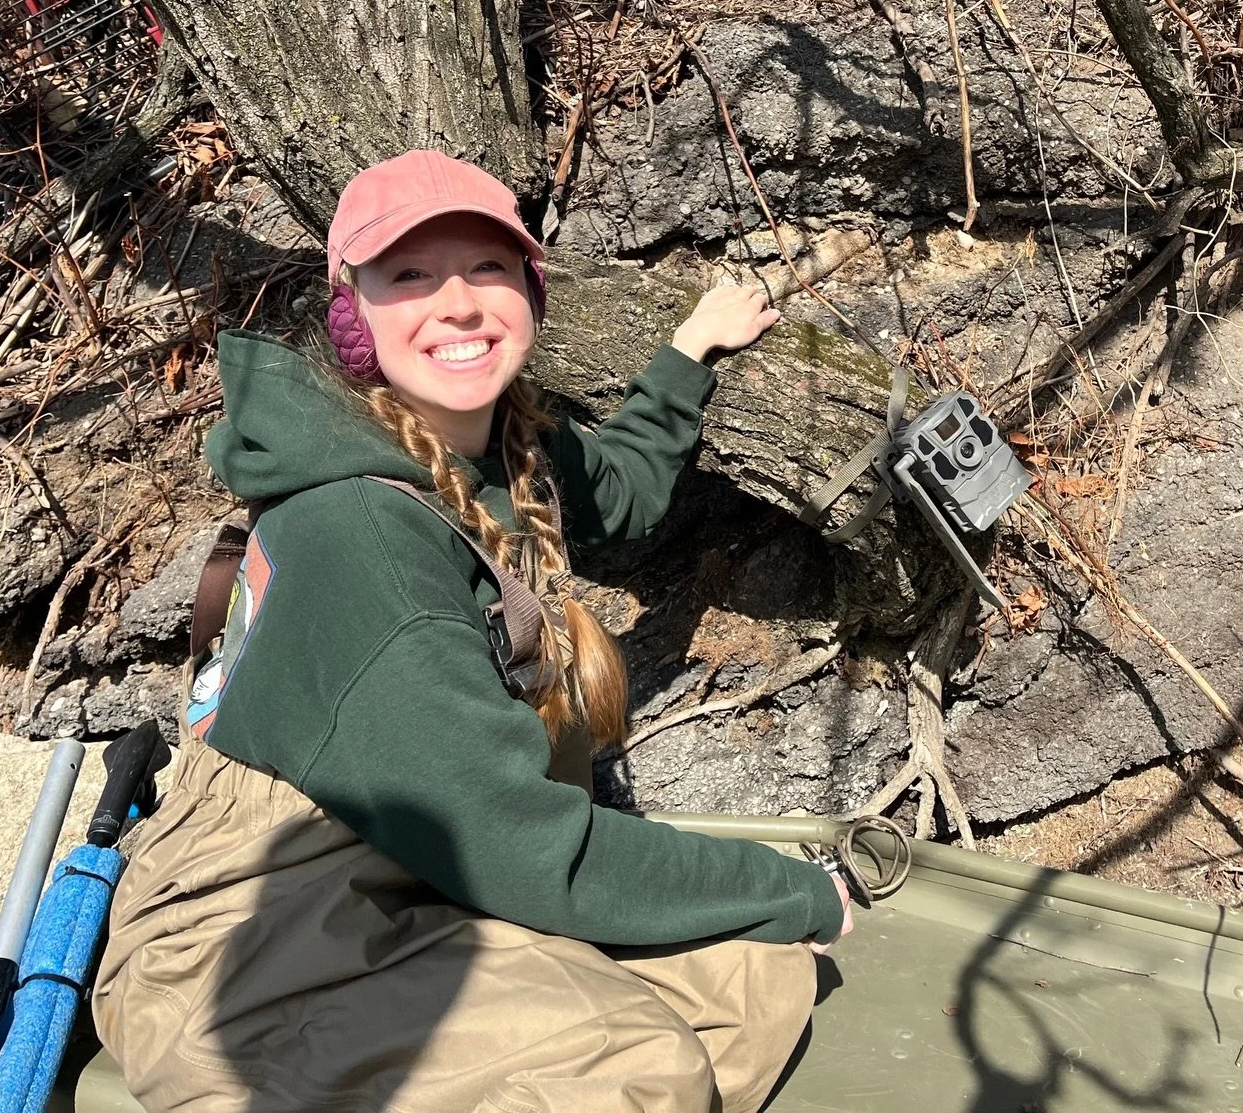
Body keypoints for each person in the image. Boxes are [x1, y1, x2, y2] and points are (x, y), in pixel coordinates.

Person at [93, 149, 853, 1113]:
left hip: (430, 873)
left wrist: (691, 350)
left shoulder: (508, 446)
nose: (458, 305)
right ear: (353, 314)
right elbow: (523, 847)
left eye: (488, 268)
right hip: (256, 939)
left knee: (759, 979)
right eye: (411, 275)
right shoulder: (359, 536)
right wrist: (794, 886)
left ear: (530, 292)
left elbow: (619, 493)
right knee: (638, 1067)